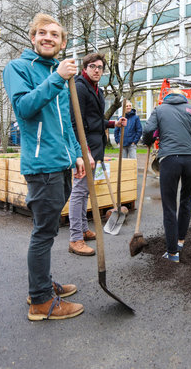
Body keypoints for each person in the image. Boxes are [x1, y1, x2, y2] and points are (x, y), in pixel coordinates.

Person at [3, 13, 86, 320]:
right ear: (32, 37)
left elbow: (64, 124)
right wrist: (57, 78)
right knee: (43, 232)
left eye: (54, 34)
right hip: (42, 165)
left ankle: (41, 284)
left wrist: (76, 153)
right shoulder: (18, 68)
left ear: (62, 42)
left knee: (49, 230)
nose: (48, 37)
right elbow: (24, 108)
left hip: (61, 163)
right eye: (42, 33)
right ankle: (39, 300)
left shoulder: (58, 73)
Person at [68, 53, 125, 256]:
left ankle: (83, 228)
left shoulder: (97, 90)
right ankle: (75, 238)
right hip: (85, 148)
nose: (97, 70)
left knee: (85, 191)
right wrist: (85, 153)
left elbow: (96, 120)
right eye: (93, 66)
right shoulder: (79, 87)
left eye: (100, 67)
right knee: (79, 191)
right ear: (85, 67)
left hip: (96, 145)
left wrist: (113, 123)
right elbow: (76, 123)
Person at [141, 89, 191, 263]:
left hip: (170, 159)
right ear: (182, 97)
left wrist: (148, 140)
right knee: (186, 201)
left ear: (167, 97)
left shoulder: (159, 109)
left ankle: (172, 253)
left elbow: (149, 130)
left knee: (169, 206)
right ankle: (180, 240)